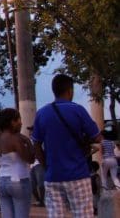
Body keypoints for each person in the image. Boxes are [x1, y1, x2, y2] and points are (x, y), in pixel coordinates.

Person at [32, 74, 102, 218]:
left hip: (53, 177)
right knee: (83, 215)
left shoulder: (42, 114)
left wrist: (47, 167)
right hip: (78, 176)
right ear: (70, 90)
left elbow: (37, 145)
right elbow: (97, 137)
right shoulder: (78, 110)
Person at [0, 108, 34, 218]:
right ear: (12, 122)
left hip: (1, 180)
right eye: (19, 120)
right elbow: (30, 159)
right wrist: (28, 142)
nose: (21, 123)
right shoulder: (15, 139)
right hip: (19, 178)